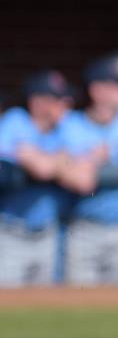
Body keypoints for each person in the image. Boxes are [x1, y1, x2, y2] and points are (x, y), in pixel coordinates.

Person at [58, 55, 118, 286]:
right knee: (78, 305)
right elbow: (69, 170)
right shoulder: (72, 123)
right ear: (96, 90)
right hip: (86, 226)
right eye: (115, 85)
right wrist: (90, 158)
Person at [0, 71, 87, 287]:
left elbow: (83, 180)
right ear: (36, 101)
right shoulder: (16, 120)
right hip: (12, 232)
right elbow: (41, 170)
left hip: (48, 233)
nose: (66, 104)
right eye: (57, 100)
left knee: (45, 304)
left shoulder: (66, 127)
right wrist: (62, 161)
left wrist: (45, 159)